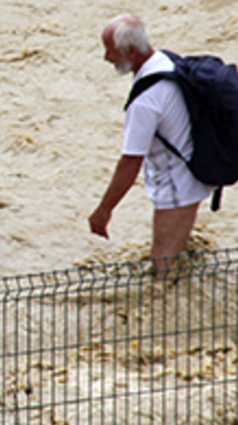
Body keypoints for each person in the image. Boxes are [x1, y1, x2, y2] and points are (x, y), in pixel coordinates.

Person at [89, 14, 215, 275]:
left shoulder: (145, 101)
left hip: (176, 189)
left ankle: (173, 309)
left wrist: (104, 210)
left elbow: (130, 162)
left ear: (131, 51)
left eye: (110, 51)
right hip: (194, 175)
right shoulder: (167, 62)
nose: (106, 59)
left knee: (162, 266)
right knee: (176, 258)